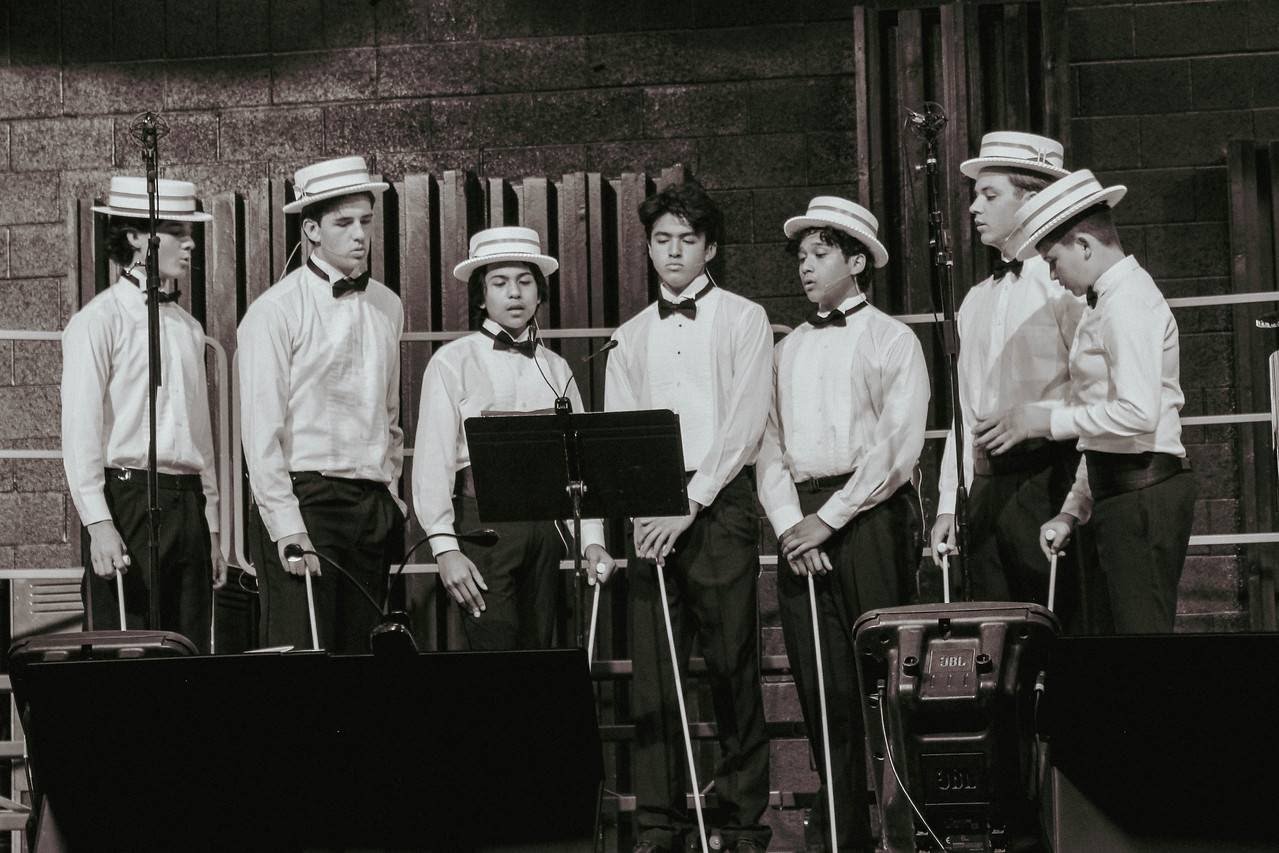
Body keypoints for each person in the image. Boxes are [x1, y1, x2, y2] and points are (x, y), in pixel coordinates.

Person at [604, 181, 774, 853]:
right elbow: (619, 433)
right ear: (648, 248)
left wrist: (692, 501)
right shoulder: (628, 335)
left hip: (720, 501)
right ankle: (657, 824)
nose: (673, 252)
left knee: (733, 663)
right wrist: (651, 509)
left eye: (686, 240)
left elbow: (744, 423)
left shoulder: (743, 317)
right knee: (654, 672)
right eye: (661, 240)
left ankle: (741, 821)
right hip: (651, 508)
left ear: (710, 247)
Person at [757, 197, 928, 852]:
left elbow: (895, 448)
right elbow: (765, 444)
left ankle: (902, 830)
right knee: (821, 687)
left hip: (868, 518)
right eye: (800, 254)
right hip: (800, 525)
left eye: (820, 252)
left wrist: (827, 521)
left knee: (886, 680)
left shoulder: (891, 339)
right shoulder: (787, 348)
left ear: (855, 260)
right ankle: (841, 836)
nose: (805, 265)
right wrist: (788, 526)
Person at [975, 169, 1197, 633]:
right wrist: (1072, 511)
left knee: (1142, 646)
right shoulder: (1105, 301)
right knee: (1112, 647)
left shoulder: (1128, 303)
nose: (1054, 278)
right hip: (1116, 491)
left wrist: (1044, 419)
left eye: (1054, 261)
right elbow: (1101, 426)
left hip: (1144, 494)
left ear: (1084, 246)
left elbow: (1136, 413)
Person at [412, 226, 616, 649]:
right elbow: (432, 465)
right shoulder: (452, 362)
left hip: (545, 529)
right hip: (483, 529)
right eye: (500, 283)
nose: (514, 294)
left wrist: (591, 541)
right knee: (495, 652)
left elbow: (579, 465)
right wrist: (445, 548)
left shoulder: (558, 368)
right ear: (481, 296)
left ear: (539, 293)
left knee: (541, 651)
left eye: (525, 282)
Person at [238, 156, 406, 652]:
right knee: (303, 665)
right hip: (305, 500)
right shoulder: (274, 311)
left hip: (369, 505)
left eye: (366, 222)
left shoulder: (387, 305)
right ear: (311, 229)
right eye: (343, 223)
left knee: (362, 666)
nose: (359, 235)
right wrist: (288, 527)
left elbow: (389, 415)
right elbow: (260, 434)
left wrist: (390, 493)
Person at [62, 175, 226, 652]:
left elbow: (202, 437)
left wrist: (211, 527)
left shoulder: (189, 329)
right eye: (178, 231)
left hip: (186, 501)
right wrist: (99, 523)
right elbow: (80, 430)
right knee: (126, 651)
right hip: (129, 497)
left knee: (187, 650)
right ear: (136, 236)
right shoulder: (98, 320)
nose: (191, 243)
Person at [930, 132, 1086, 616]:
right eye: (976, 195)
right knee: (992, 632)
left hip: (1047, 476)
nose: (974, 207)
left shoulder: (1067, 289)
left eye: (989, 195)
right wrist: (948, 504)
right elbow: (965, 406)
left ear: (1032, 199)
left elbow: (1094, 392)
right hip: (985, 488)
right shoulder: (977, 298)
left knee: (1054, 624)